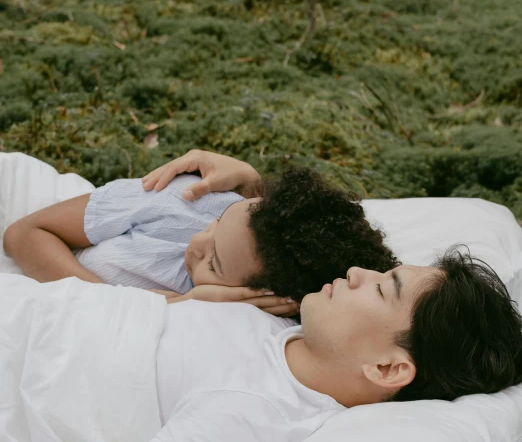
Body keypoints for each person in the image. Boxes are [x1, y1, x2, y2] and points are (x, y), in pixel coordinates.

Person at [149, 247, 522, 442]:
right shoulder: (280, 321)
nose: (357, 271)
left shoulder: (253, 411)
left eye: (381, 289)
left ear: (388, 368)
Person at [3, 165, 396, 315]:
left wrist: (187, 307)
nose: (196, 242)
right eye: (217, 224)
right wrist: (176, 303)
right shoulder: (184, 201)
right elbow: (24, 235)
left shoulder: (255, 317)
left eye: (215, 263)